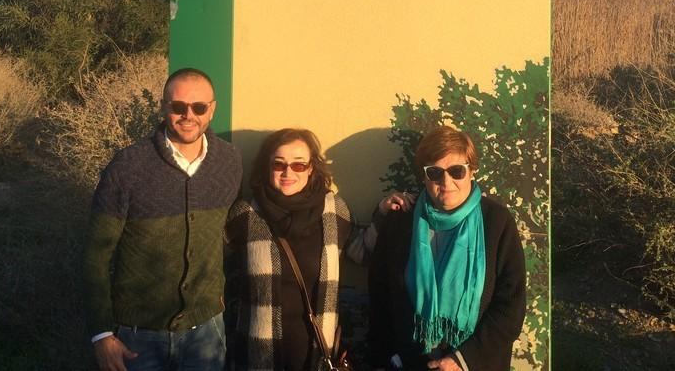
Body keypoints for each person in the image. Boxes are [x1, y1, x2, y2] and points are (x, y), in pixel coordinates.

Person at [83, 67, 243, 371]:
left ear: (212, 110)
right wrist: (101, 334)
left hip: (205, 333)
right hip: (137, 337)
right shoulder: (127, 167)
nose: (189, 115)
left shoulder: (230, 162)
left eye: (199, 107)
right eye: (178, 107)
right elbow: (95, 255)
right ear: (163, 107)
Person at [225, 127, 411, 371]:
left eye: (299, 165)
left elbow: (360, 251)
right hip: (259, 353)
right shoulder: (247, 214)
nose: (288, 172)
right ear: (267, 167)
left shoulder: (333, 211)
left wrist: (383, 213)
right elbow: (215, 265)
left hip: (318, 354)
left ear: (311, 168)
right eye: (279, 164)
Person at [368, 126, 526, 371]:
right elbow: (380, 296)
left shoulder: (497, 222)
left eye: (456, 171)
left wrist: (462, 360)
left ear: (472, 172)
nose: (446, 181)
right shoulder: (400, 222)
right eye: (435, 172)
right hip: (410, 364)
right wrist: (386, 357)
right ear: (424, 177)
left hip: (475, 365)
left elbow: (511, 306)